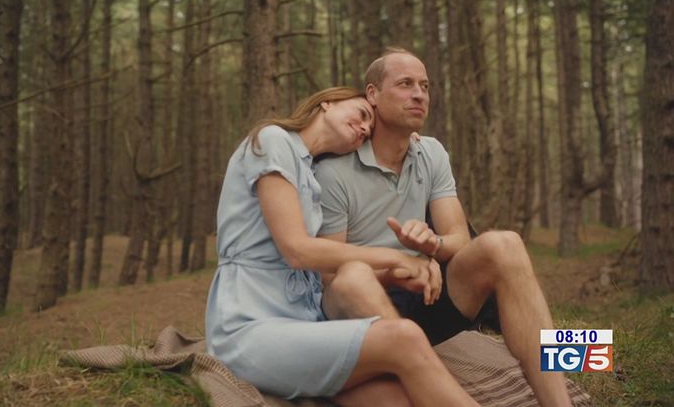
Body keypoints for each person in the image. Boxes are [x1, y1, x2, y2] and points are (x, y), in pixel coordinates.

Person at [315, 47, 573, 406]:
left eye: (425, 86)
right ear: (372, 94)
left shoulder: (431, 152)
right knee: (352, 279)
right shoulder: (333, 170)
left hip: (432, 296)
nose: (419, 95)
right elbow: (330, 277)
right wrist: (401, 268)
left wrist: (433, 245)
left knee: (506, 244)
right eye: (405, 84)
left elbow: (459, 239)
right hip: (364, 313)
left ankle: (566, 394)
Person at [205, 86, 481, 406]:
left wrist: (406, 141)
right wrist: (396, 259)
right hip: (251, 325)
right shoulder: (273, 141)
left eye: (368, 132)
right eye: (361, 114)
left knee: (397, 398)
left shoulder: (313, 174)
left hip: (309, 323)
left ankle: (542, 365)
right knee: (403, 337)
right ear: (327, 102)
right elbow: (297, 250)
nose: (364, 128)